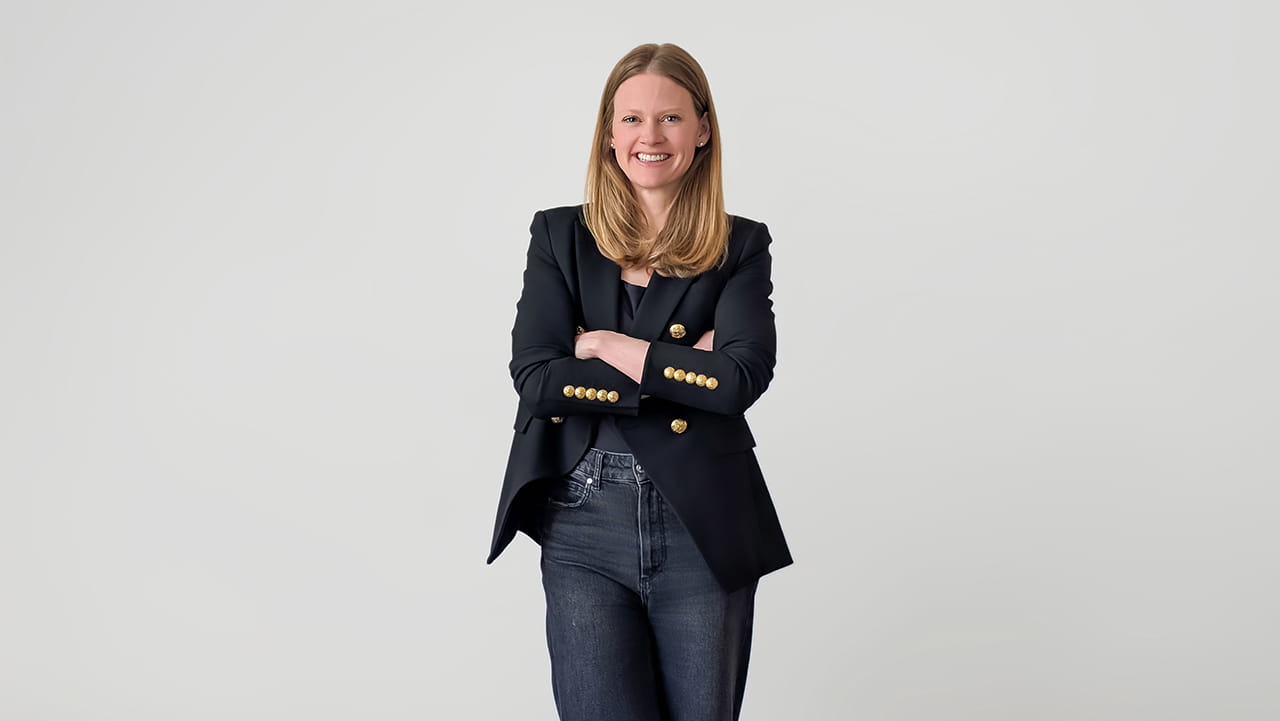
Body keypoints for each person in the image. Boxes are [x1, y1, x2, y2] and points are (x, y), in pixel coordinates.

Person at [486, 42, 792, 721]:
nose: (649, 137)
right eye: (630, 120)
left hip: (702, 522)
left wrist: (608, 346)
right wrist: (679, 370)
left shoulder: (739, 245)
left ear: (703, 129)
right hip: (582, 522)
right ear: (608, 132)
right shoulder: (560, 235)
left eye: (671, 119)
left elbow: (740, 378)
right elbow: (536, 378)